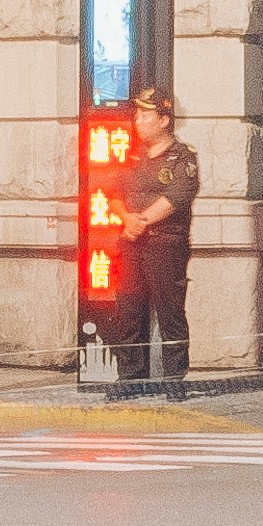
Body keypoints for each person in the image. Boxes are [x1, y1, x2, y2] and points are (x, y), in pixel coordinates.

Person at [106, 86, 199, 395]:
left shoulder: (182, 158)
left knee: (170, 311)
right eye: (137, 114)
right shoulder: (132, 157)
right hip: (131, 244)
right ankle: (129, 378)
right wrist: (127, 218)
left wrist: (141, 221)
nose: (138, 120)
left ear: (164, 120)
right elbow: (113, 194)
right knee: (127, 309)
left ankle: (174, 380)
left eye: (146, 115)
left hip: (165, 244)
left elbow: (177, 198)